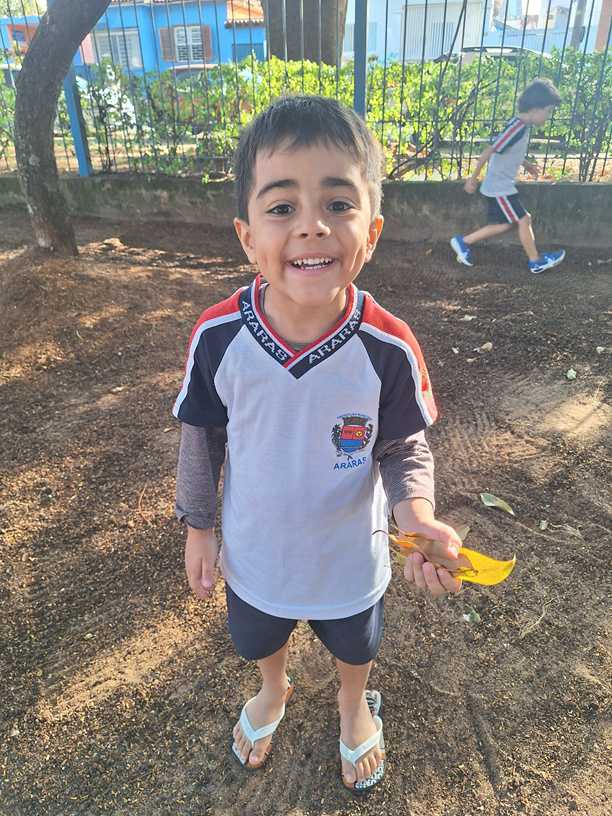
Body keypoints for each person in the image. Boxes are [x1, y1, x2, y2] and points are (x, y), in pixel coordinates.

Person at [173, 95, 462, 795]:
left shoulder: (389, 347)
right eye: (282, 207)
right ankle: (273, 688)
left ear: (372, 231)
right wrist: (199, 525)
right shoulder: (218, 337)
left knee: (355, 644)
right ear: (248, 237)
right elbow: (202, 436)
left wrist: (416, 516)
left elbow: (402, 447)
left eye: (338, 203)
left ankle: (352, 702)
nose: (311, 225)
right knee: (257, 638)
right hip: (256, 551)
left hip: (348, 557)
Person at [451, 78, 566, 274]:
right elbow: (489, 150)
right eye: (548, 111)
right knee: (524, 219)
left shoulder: (521, 126)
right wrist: (473, 178)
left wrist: (526, 164)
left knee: (504, 224)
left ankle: (463, 242)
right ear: (535, 109)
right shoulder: (516, 128)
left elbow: (509, 151)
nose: (548, 116)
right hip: (499, 187)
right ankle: (535, 261)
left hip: (499, 186)